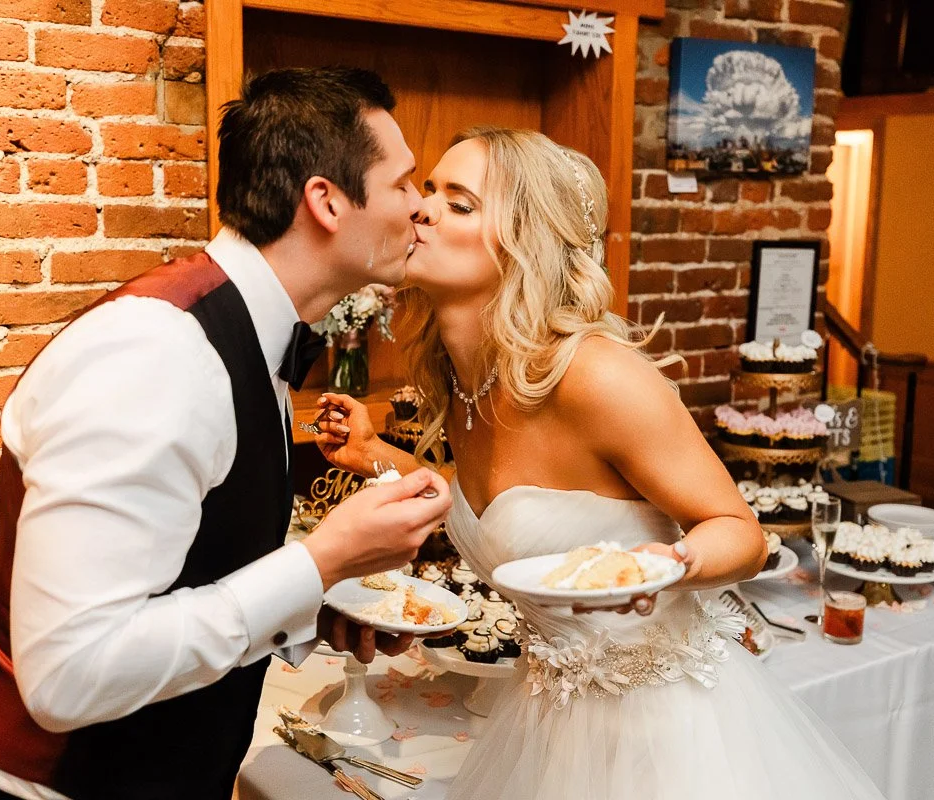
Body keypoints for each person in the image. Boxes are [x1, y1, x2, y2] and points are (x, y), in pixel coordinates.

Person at [316, 127, 887, 799]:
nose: (423, 209)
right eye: (430, 190)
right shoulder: (467, 379)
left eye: (459, 202)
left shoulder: (594, 376)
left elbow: (742, 533)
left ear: (523, 243)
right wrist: (375, 457)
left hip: (660, 742)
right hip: (548, 722)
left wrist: (666, 566)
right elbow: (503, 507)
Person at [0, 68, 451, 800]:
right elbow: (67, 674)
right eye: (405, 184)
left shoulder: (253, 334)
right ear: (327, 201)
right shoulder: (160, 352)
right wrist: (316, 563)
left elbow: (188, 569)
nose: (420, 209)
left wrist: (313, 603)